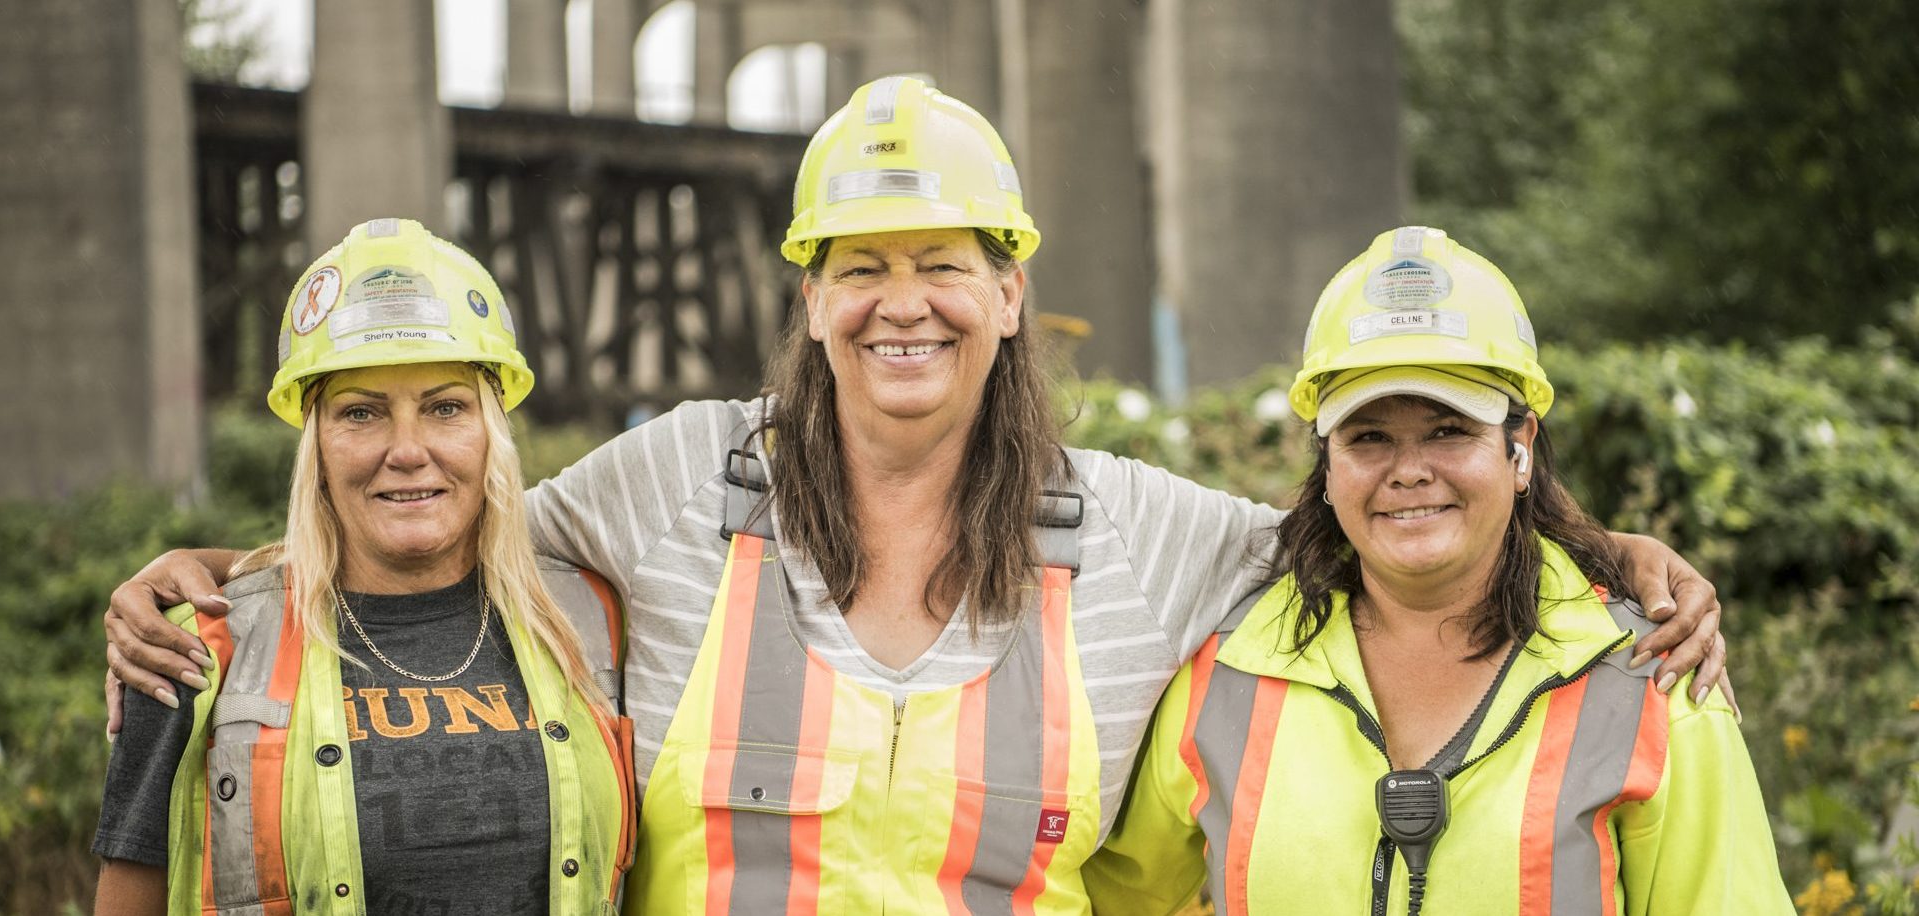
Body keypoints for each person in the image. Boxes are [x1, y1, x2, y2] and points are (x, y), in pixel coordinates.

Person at [103, 81, 1725, 913]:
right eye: (862, 268)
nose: (904, 305)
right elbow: (432, 509)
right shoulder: (674, 483)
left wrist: (1607, 552)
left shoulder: (1149, 541)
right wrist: (219, 577)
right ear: (807, 297)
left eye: (944, 263)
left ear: (1012, 291)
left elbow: (1389, 531)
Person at [1083, 227, 1788, 915]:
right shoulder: (1227, 677)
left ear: (1520, 450)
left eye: (1450, 430)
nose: (1410, 471)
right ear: (1327, 469)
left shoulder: (1656, 679)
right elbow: (1106, 900)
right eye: (1369, 437)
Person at [92, 219, 635, 915]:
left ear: (492, 434)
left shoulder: (592, 619)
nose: (407, 450)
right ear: (315, 445)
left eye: (445, 408)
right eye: (361, 413)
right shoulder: (195, 651)